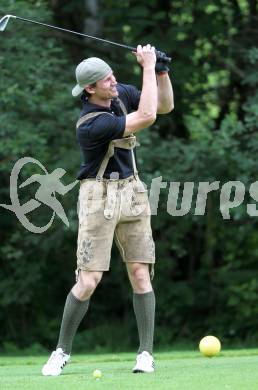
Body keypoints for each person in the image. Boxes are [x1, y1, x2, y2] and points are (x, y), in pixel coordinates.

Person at [42, 44, 174, 376]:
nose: (114, 81)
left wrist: (160, 72)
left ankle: (146, 353)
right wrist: (145, 66)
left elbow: (164, 105)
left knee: (141, 273)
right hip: (97, 197)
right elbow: (146, 116)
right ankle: (61, 351)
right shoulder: (89, 124)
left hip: (132, 190)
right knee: (89, 279)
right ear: (90, 89)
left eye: (112, 74)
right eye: (106, 79)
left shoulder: (119, 96)